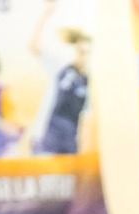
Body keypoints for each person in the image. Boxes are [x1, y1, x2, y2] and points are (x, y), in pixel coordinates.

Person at [30, 1, 91, 155]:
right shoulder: (62, 68)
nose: (83, 55)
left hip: (70, 146)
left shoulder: (90, 81)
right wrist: (47, 13)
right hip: (46, 140)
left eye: (87, 52)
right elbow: (35, 46)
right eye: (80, 51)